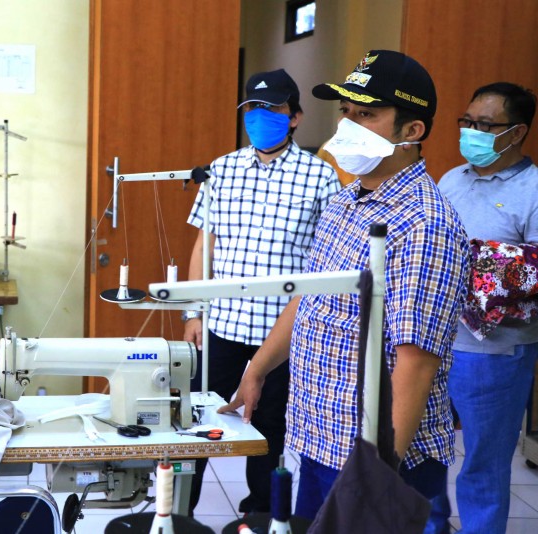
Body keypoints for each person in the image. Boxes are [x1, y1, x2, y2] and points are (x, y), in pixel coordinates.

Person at [218, 50, 470, 521]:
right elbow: (309, 297)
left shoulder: (425, 224)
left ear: (412, 131)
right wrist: (258, 369)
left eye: (367, 115)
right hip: (322, 438)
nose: (348, 125)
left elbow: (416, 363)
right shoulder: (344, 202)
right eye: (346, 111)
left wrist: (375, 477)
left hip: (377, 456)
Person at [184, 69, 340, 514]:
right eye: (253, 108)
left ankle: (261, 515)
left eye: (273, 108)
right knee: (196, 424)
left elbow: (326, 259)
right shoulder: (221, 170)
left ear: (295, 117)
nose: (260, 116)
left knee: (268, 431)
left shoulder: (320, 177)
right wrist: (193, 312)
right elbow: (204, 245)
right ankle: (179, 515)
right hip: (222, 325)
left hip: (283, 332)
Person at [432, 82, 538, 533]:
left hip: (495, 353)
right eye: (468, 122)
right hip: (434, 342)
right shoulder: (451, 180)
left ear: (516, 132)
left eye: (485, 125)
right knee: (426, 452)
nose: (471, 132)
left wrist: (486, 266)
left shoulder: (533, 189)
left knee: (484, 461)